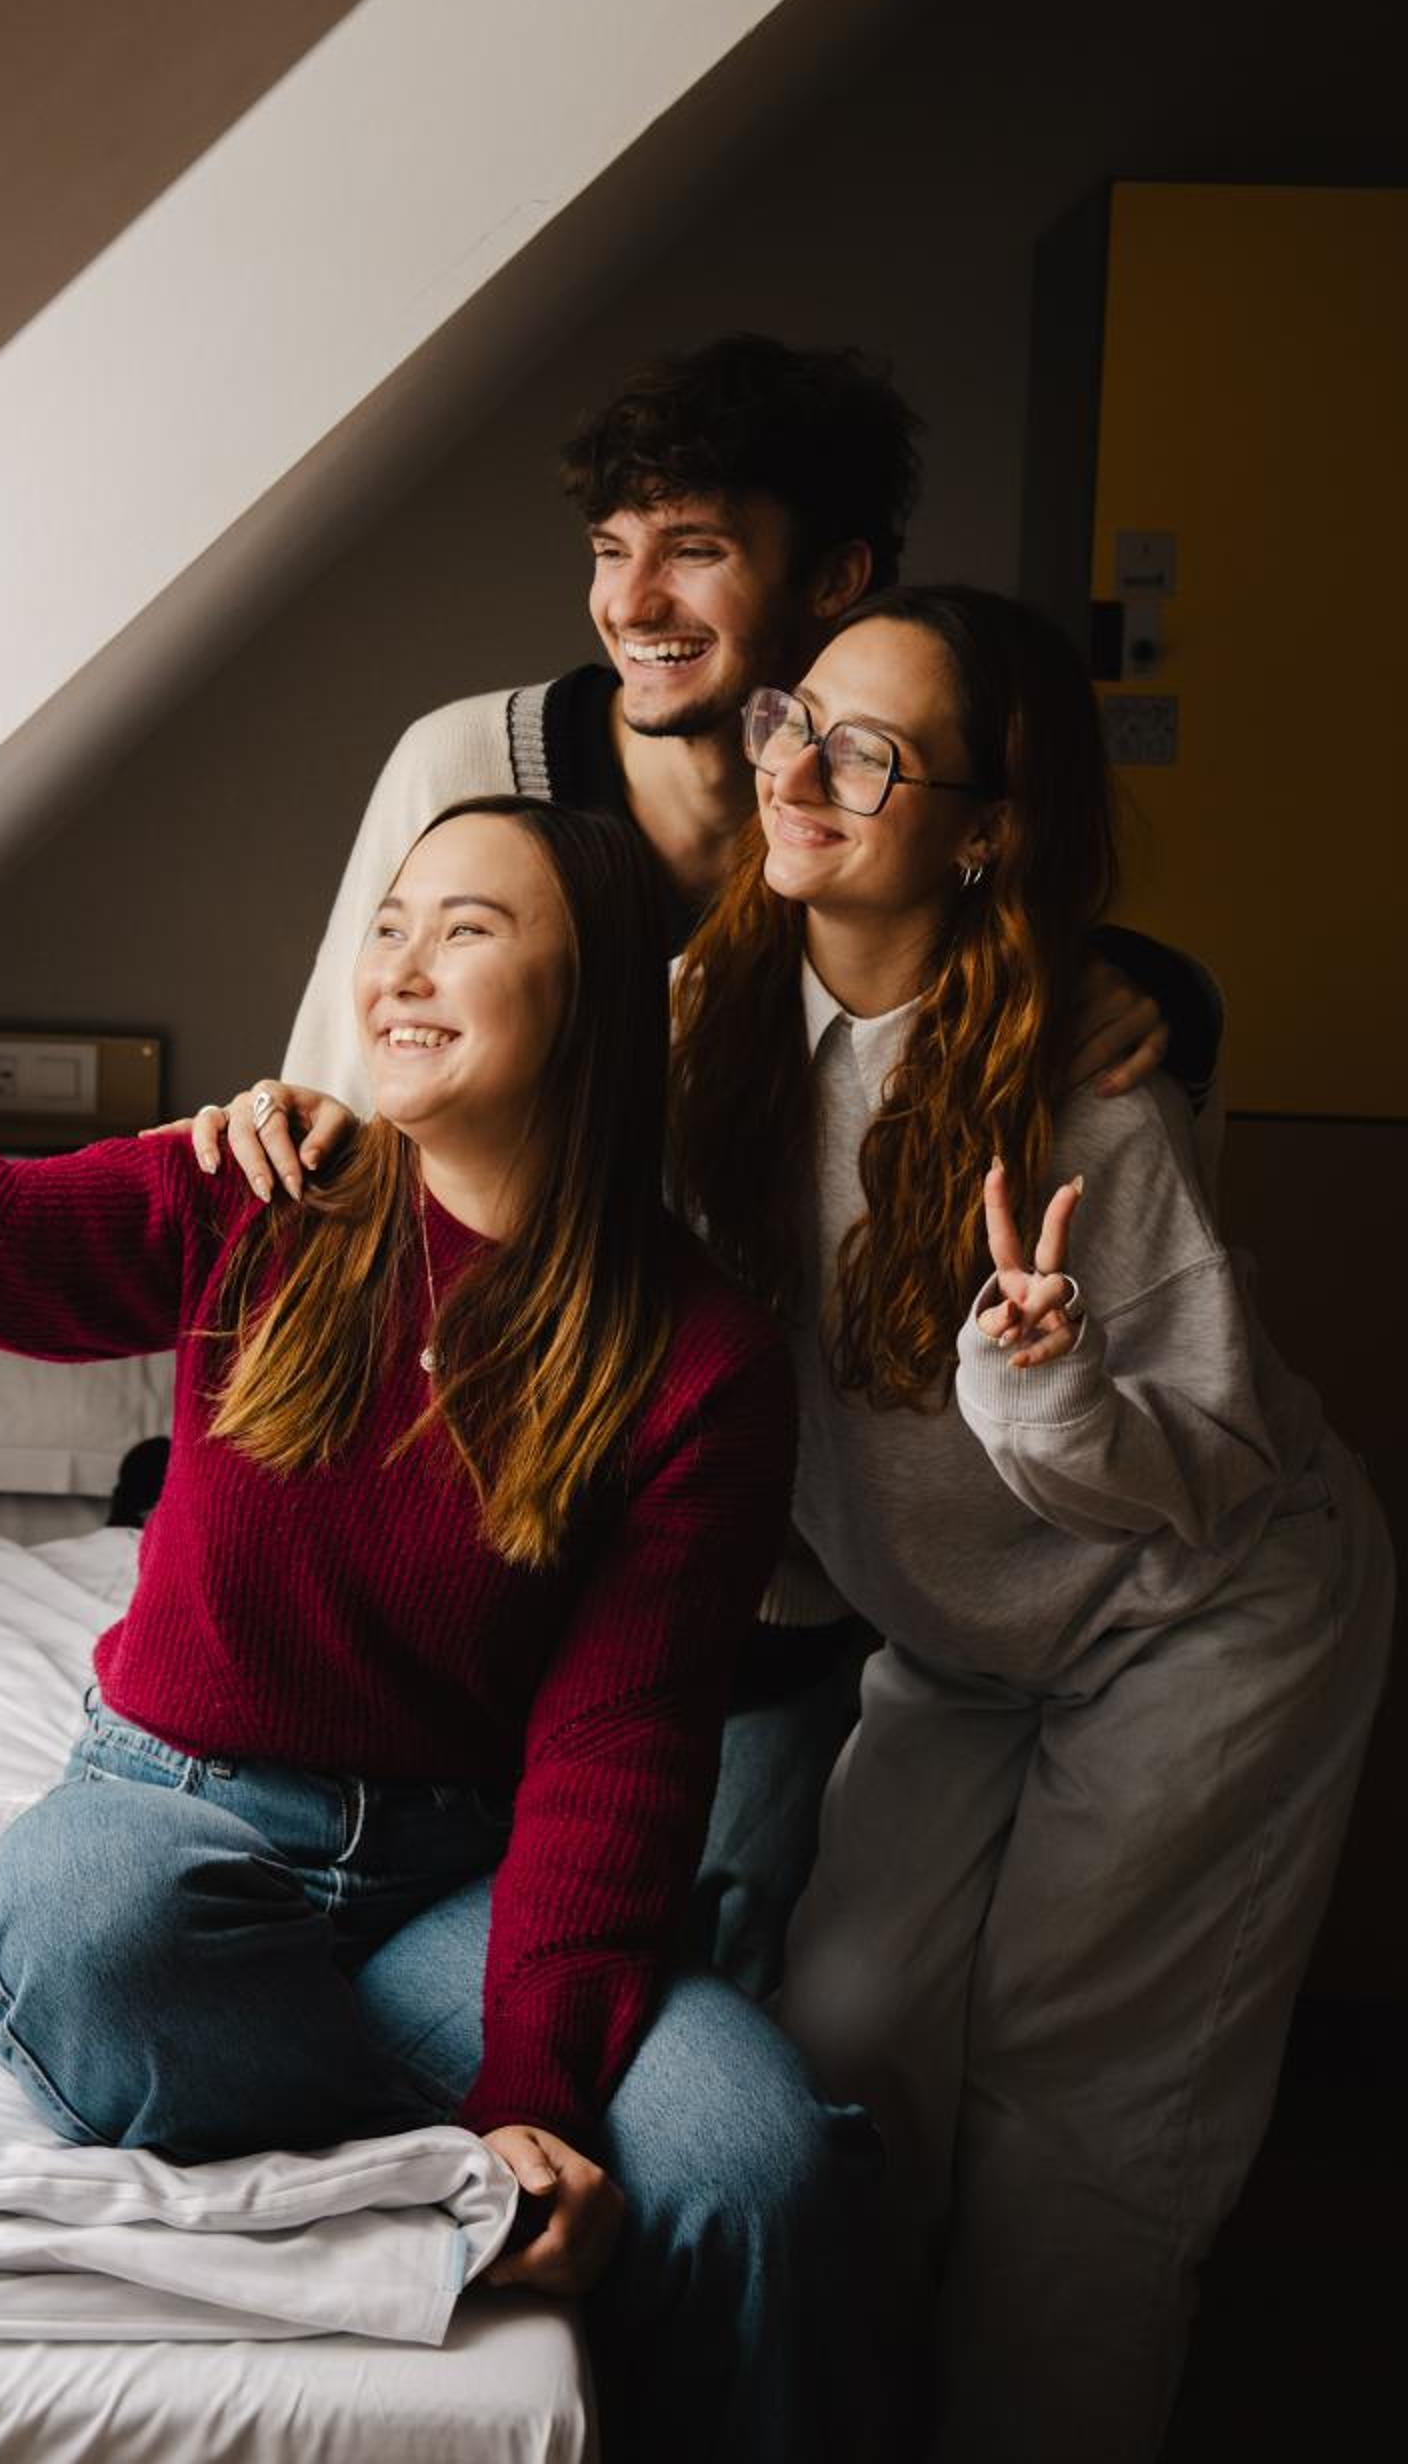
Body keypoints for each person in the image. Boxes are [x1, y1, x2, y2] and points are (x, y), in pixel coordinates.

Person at [0, 769, 882, 2464]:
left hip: (459, 1877)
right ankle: (435, 2189)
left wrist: (536, 2091)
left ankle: (433, 2168)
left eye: (468, 930)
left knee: (756, 2165)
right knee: (89, 1930)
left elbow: (619, 1746)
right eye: (388, 929)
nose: (401, 970)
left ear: (588, 991)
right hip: (170, 1819)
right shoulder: (261, 1197)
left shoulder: (698, 1356)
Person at [199, 333, 1217, 1995]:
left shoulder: (836, 793)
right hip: (512, 1488)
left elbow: (997, 945)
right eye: (613, 548)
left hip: (793, 1557)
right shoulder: (478, 773)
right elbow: (361, 1102)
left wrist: (1147, 984)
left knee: (748, 1986)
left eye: (699, 548)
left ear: (838, 580)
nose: (636, 599)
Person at [666, 585, 1394, 2464]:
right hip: (965, 1641)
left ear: (982, 828)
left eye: (871, 752)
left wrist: (1036, 1382)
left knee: (1078, 2123)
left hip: (1201, 1622)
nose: (799, 769)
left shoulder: (1079, 1083)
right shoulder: (710, 1019)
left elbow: (1206, 1468)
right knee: (836, 2040)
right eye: (793, 719)